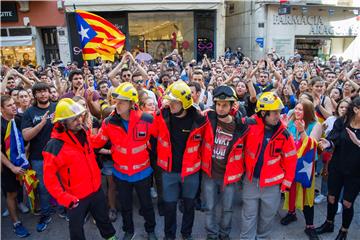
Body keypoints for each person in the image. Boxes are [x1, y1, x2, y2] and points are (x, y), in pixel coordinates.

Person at [42, 98, 116, 240]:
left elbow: (94, 142)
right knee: (76, 230)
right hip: (75, 198)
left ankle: (111, 237)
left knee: (104, 221)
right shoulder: (54, 146)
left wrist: (106, 125)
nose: (79, 121)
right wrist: (64, 198)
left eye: (79, 117)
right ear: (62, 123)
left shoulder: (83, 131)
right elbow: (49, 179)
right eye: (74, 119)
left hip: (96, 191)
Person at [91, 82, 157, 240]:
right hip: (121, 174)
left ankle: (151, 230)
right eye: (116, 101)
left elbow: (160, 139)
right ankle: (129, 231)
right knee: (126, 207)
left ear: (131, 103)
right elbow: (97, 142)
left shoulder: (147, 119)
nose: (117, 105)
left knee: (147, 206)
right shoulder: (108, 122)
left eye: (121, 102)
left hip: (143, 173)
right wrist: (83, 131)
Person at [153, 80, 209, 240]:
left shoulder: (199, 121)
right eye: (169, 101)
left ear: (184, 103)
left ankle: (186, 234)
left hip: (191, 173)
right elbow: (151, 132)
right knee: (169, 207)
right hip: (169, 172)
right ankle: (169, 236)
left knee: (189, 206)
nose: (170, 104)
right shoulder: (161, 115)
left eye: (174, 102)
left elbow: (206, 144)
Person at [240, 91, 297, 240]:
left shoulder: (284, 133)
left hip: (272, 186)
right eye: (274, 112)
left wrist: (286, 183)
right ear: (263, 113)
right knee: (248, 216)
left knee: (267, 217)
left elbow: (291, 159)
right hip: (251, 181)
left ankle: (262, 238)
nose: (278, 115)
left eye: (279, 112)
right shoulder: (249, 125)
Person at [201, 86, 250, 240]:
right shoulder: (208, 119)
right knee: (209, 208)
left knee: (228, 209)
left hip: (229, 176)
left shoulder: (240, 126)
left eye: (224, 105)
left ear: (232, 106)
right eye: (218, 105)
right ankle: (211, 234)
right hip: (209, 173)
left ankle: (224, 234)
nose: (220, 108)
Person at [316, 97, 360, 240]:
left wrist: (358, 142)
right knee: (331, 198)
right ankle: (329, 223)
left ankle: (344, 231)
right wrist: (327, 143)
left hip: (355, 172)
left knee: (347, 203)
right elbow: (333, 138)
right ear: (356, 109)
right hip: (337, 167)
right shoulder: (342, 122)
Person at [281, 100, 322, 240]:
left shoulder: (315, 125)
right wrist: (284, 127)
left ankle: (310, 226)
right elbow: (285, 142)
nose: (297, 112)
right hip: (290, 163)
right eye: (296, 109)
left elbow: (312, 144)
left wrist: (302, 131)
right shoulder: (291, 122)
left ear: (308, 112)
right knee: (290, 190)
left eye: (301, 110)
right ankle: (291, 213)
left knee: (306, 195)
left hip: (306, 166)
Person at [21, 82, 56, 232]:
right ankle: (46, 214)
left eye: (45, 91)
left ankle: (64, 210)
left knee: (62, 183)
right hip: (38, 157)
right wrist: (42, 123)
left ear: (49, 93)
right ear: (34, 95)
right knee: (43, 187)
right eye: (39, 92)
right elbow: (26, 135)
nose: (42, 94)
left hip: (59, 154)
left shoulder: (57, 107)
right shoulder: (29, 112)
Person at [1, 95, 30, 238]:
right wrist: (12, 167)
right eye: (9, 105)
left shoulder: (18, 119)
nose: (14, 106)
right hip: (8, 167)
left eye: (14, 104)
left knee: (19, 189)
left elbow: (24, 140)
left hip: (21, 163)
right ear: (1, 109)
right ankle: (16, 223)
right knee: (10, 194)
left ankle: (19, 204)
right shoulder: (0, 124)